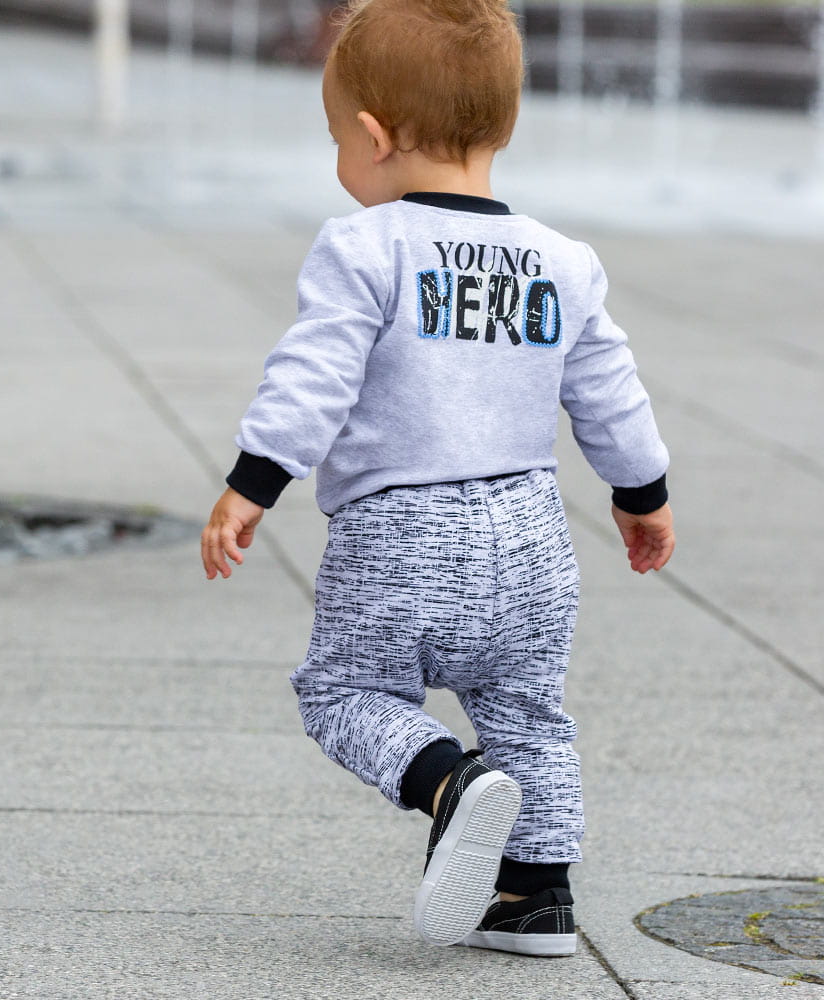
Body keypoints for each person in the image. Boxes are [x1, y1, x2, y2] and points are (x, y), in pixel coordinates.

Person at [201, 0, 675, 957]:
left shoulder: (366, 245)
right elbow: (610, 393)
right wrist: (643, 496)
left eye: (337, 140)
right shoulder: (563, 262)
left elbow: (313, 377)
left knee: (343, 693)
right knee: (529, 716)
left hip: (400, 533)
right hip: (532, 538)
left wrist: (254, 482)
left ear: (373, 137)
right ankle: (537, 899)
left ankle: (448, 782)